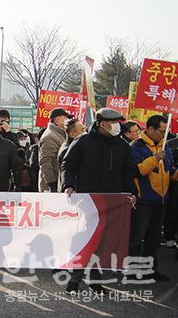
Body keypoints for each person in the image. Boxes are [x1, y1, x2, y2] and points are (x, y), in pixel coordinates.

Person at [61, 108, 136, 295]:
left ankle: (95, 281)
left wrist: (132, 192)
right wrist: (68, 185)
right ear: (103, 124)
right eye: (114, 123)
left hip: (112, 200)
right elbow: (68, 164)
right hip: (87, 200)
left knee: (103, 241)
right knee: (86, 239)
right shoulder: (83, 141)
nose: (118, 127)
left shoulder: (122, 146)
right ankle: (74, 280)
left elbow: (128, 172)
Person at [129, 115, 176, 281]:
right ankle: (133, 270)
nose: (164, 134)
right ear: (150, 129)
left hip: (161, 200)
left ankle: (150, 269)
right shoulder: (136, 146)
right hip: (143, 199)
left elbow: (170, 173)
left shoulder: (165, 147)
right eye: (161, 131)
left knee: (154, 238)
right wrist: (155, 159)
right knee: (137, 236)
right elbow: (137, 170)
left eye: (166, 131)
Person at [38, 108, 71, 192]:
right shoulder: (50, 136)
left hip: (59, 183)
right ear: (58, 119)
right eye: (66, 118)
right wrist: (51, 184)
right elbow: (45, 162)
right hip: (52, 185)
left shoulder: (61, 134)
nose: (68, 121)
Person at [57, 118, 85, 191]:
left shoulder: (75, 146)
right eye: (82, 130)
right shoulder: (67, 150)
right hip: (72, 192)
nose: (85, 132)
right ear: (73, 134)